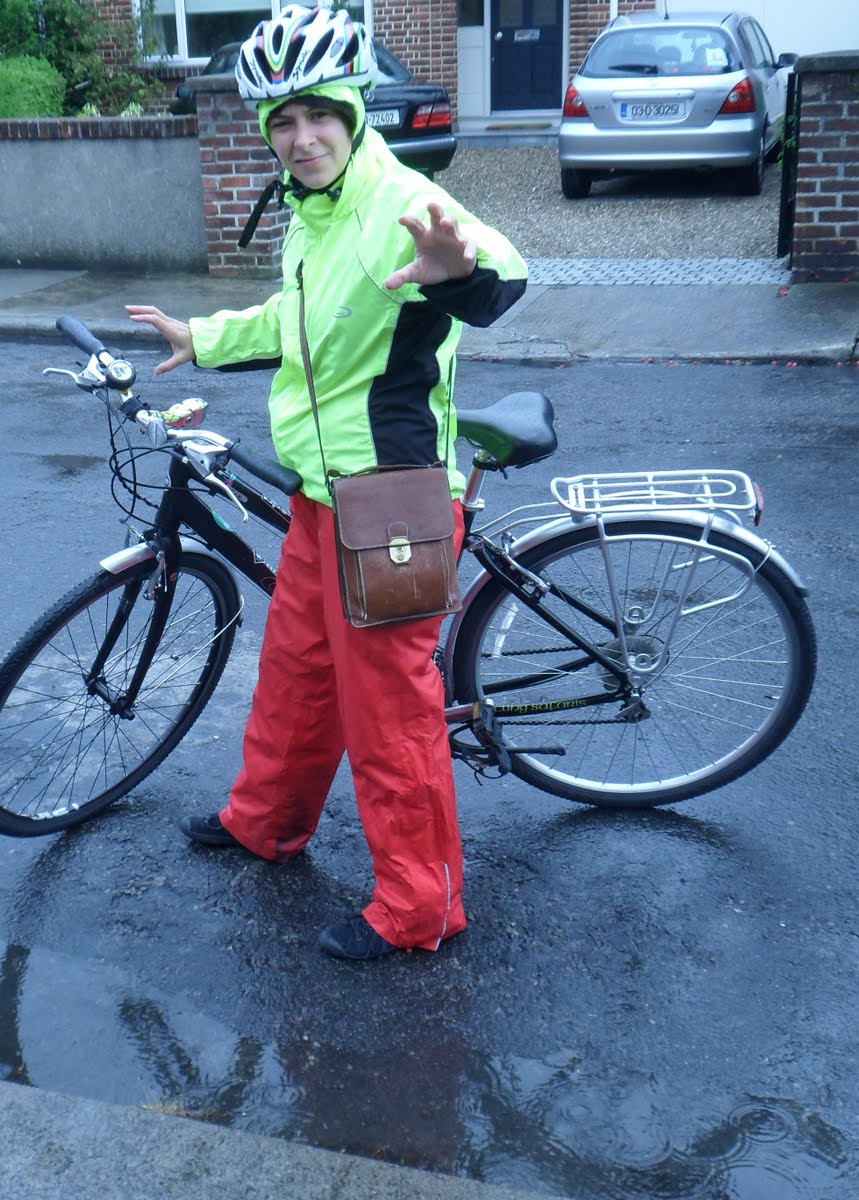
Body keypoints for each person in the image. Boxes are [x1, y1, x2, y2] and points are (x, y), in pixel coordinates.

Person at [127, 4, 527, 962]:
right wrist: (202, 337)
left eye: (319, 116)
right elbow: (294, 320)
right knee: (299, 674)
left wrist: (458, 271)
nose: (302, 138)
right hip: (320, 493)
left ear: (352, 114)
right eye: (284, 121)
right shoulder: (314, 215)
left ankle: (421, 907)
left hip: (389, 500)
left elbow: (502, 270)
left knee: (390, 715)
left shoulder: (398, 201)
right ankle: (267, 821)